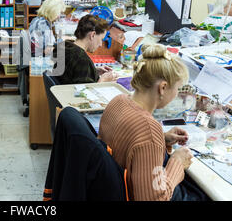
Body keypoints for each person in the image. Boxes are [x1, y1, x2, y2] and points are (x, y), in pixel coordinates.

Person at [98, 44, 208, 201]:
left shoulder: (118, 101)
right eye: (177, 88)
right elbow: (154, 199)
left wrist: (162, 139)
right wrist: (177, 163)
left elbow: (128, 142)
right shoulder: (149, 129)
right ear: (163, 87)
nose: (177, 94)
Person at [52, 14, 118, 85]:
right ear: (92, 35)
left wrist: (93, 71)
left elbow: (71, 73)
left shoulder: (65, 46)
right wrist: (103, 80)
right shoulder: (81, 59)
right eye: (101, 39)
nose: (100, 44)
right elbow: (85, 94)